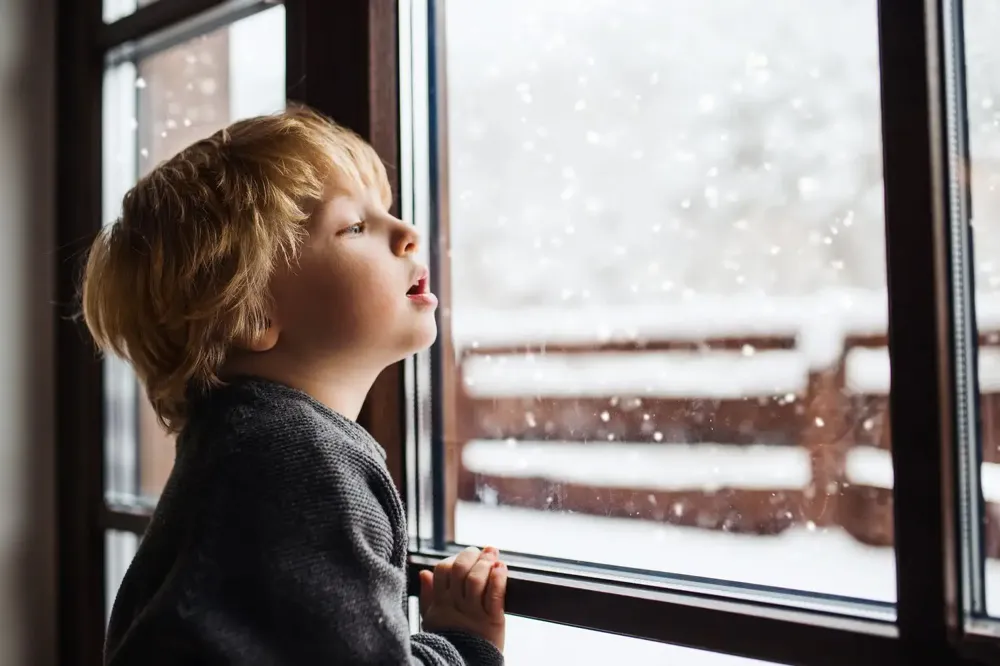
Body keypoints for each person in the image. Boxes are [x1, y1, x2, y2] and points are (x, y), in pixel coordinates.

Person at [81, 104, 508, 665]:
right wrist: (461, 645)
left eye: (386, 211)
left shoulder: (239, 445)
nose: (407, 233)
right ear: (254, 314)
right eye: (355, 226)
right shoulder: (297, 461)